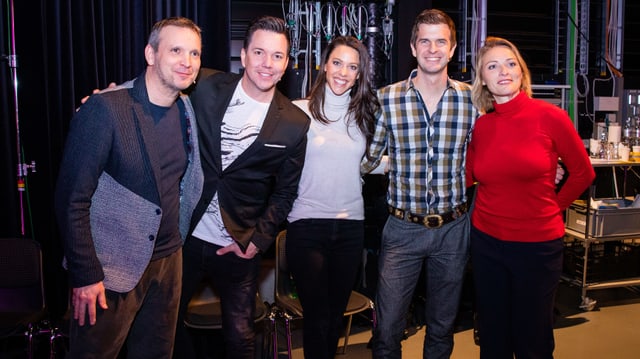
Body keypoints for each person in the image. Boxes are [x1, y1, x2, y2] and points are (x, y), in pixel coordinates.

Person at [55, 17, 204, 358]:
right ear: (151, 54)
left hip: (168, 263)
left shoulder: (185, 107)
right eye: (176, 50)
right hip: (109, 272)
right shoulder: (105, 108)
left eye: (195, 53)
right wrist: (85, 273)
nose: (187, 61)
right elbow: (71, 199)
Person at [174, 15, 310, 359]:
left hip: (237, 245)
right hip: (183, 236)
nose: (267, 64)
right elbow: (156, 85)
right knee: (164, 325)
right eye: (259, 53)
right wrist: (113, 93)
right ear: (244, 55)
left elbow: (285, 193)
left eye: (277, 56)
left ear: (286, 64)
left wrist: (256, 242)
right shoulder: (204, 85)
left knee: (241, 338)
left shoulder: (295, 123)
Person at [466, 36, 595, 358]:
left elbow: (583, 173)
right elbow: (469, 176)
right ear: (482, 78)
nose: (503, 71)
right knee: (492, 336)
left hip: (537, 247)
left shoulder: (549, 116)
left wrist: (554, 207)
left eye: (511, 63)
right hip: (487, 244)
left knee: (533, 340)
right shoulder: (483, 126)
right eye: (492, 66)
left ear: (521, 72)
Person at [361, 9, 477, 359]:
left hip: (453, 229)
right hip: (402, 230)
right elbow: (367, 158)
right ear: (412, 47)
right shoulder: (387, 98)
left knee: (442, 329)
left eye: (441, 41)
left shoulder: (472, 100)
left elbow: (498, 149)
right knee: (387, 330)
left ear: (453, 48)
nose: (432, 49)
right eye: (424, 40)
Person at [285, 35, 380, 359]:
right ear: (325, 65)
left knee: (335, 316)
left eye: (352, 67)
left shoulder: (364, 118)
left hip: (351, 227)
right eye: (337, 63)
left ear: (359, 75)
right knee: (317, 317)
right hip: (307, 226)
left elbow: (373, 163)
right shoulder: (297, 113)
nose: (343, 72)